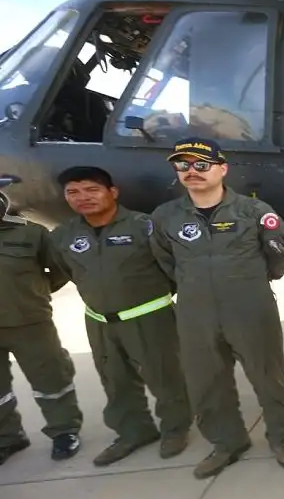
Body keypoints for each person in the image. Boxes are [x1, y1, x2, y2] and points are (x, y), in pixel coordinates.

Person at [150, 137, 284, 480]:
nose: (192, 172)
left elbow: (280, 255)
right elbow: (165, 261)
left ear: (222, 169)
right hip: (195, 312)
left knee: (268, 375)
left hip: (250, 307)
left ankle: (281, 436)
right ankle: (226, 442)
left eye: (202, 165)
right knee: (206, 381)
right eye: (183, 165)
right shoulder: (165, 217)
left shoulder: (254, 211)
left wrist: (249, 283)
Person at [50, 166, 192, 466]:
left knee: (165, 377)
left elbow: (174, 268)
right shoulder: (64, 235)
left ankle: (175, 429)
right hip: (100, 321)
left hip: (149, 316)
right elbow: (67, 272)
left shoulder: (145, 227)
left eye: (91, 189)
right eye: (73, 192)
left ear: (112, 192)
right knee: (115, 381)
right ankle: (133, 432)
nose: (82, 198)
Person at [0, 188, 83, 464]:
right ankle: (8, 438)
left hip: (30, 323)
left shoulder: (31, 233)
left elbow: (59, 268)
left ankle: (64, 431)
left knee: (51, 380)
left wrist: (38, 292)